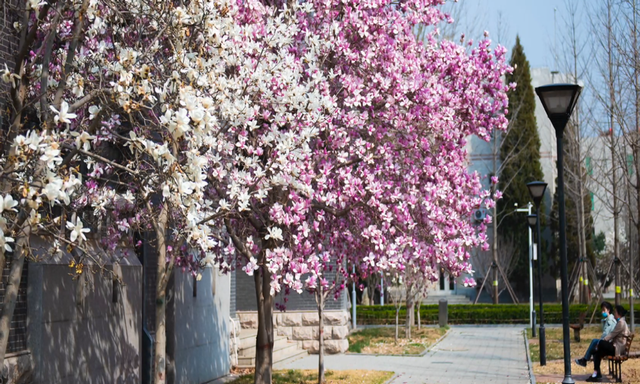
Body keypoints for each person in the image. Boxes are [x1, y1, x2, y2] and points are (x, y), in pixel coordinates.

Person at [586, 305, 630, 382]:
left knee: (600, 344)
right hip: (616, 347)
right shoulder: (621, 321)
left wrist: (601, 342)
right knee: (597, 352)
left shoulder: (621, 322)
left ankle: (596, 374)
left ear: (619, 313)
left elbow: (612, 334)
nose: (614, 313)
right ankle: (596, 374)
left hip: (617, 349)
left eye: (615, 312)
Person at [574, 301, 616, 367]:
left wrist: (599, 343)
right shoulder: (607, 320)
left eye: (604, 310)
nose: (602, 312)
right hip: (608, 343)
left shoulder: (610, 321)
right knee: (594, 347)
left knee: (595, 344)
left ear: (608, 310)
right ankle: (587, 363)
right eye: (602, 310)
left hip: (610, 345)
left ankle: (585, 360)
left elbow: (605, 335)